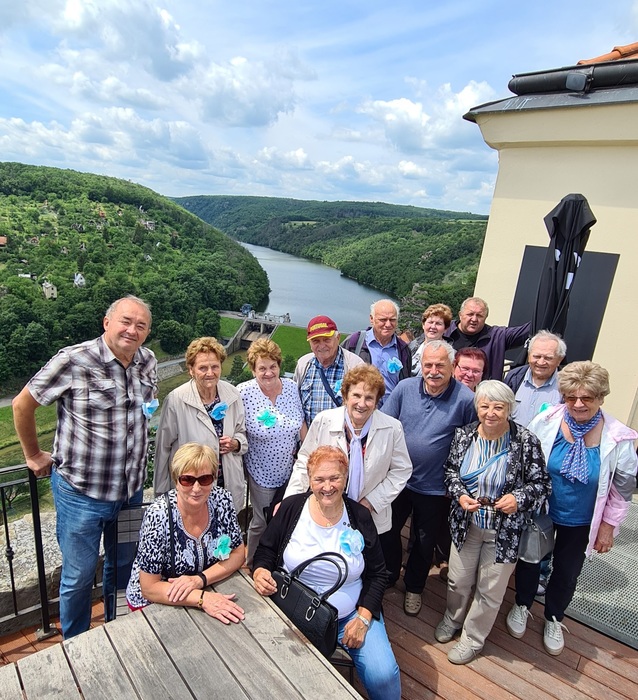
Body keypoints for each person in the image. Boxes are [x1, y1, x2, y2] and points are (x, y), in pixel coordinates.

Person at [12, 295, 157, 638]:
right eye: (125, 321)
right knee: (78, 576)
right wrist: (33, 455)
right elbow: (22, 405)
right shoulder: (74, 359)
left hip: (130, 492)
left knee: (123, 565)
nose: (132, 330)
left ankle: (115, 627)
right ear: (107, 322)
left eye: (141, 325)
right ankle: (76, 643)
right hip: (81, 495)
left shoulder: (147, 361)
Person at [506, 361, 637, 656]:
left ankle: (554, 617)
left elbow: (622, 490)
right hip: (542, 511)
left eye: (587, 397)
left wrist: (608, 527)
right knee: (529, 561)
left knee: (567, 572)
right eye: (571, 397)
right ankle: (522, 604)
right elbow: (525, 464)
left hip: (581, 519)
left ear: (601, 397)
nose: (578, 404)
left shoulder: (619, 437)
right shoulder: (546, 420)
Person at [253, 446, 401, 700]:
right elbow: (265, 550)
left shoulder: (359, 516)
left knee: (384, 676)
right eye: (319, 479)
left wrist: (364, 619)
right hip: (291, 610)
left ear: (345, 478)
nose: (327, 486)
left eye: (335, 478)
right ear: (309, 479)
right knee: (275, 674)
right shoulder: (291, 508)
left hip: (349, 616)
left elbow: (378, 574)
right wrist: (260, 572)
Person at [434, 381, 551, 664]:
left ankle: (472, 639)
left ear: (509, 409)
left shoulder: (526, 442)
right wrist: (461, 496)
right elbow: (450, 472)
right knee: (458, 581)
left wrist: (518, 499)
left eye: (498, 407)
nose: (491, 413)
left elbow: (542, 484)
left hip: (505, 531)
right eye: (485, 406)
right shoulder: (464, 435)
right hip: (467, 524)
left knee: (490, 590)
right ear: (477, 407)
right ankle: (453, 617)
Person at [381, 340, 476, 616]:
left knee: (424, 542)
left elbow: (471, 443)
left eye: (440, 365)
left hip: (435, 488)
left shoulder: (465, 399)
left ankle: (414, 587)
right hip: (398, 480)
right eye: (428, 365)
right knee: (388, 530)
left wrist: (456, 483)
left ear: (453, 366)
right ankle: (389, 574)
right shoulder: (404, 388)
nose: (433, 371)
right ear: (420, 366)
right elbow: (385, 426)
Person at [284, 365, 412, 545]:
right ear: (345, 396)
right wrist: (290, 502)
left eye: (369, 398)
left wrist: (371, 502)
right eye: (356, 395)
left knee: (369, 556)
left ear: (377, 401)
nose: (362, 403)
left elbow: (402, 470)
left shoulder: (392, 428)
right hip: (326, 509)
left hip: (371, 514)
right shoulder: (324, 421)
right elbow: (304, 462)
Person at [126, 443, 245, 624]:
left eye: (205, 479)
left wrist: (199, 580)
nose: (196, 488)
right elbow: (149, 588)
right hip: (157, 600)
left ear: (214, 478)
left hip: (205, 586)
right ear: (176, 480)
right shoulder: (158, 515)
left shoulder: (222, 500)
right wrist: (202, 598)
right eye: (187, 480)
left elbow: (237, 553)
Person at [154, 337, 247, 514]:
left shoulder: (233, 394)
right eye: (203, 368)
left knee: (224, 530)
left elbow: (241, 432)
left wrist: (236, 444)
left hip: (226, 486)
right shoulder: (176, 400)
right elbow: (163, 449)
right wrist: (162, 496)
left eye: (215, 367)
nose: (210, 373)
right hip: (192, 488)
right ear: (191, 370)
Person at [238, 338, 305, 569]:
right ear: (253, 370)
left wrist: (307, 455)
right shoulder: (244, 392)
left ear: (279, 365)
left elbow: (301, 424)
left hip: (290, 470)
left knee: (285, 517)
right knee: (262, 521)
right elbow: (235, 427)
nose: (268, 373)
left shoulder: (291, 387)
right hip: (261, 472)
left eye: (273, 366)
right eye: (262, 368)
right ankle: (253, 563)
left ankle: (277, 562)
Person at [294, 315, 364, 429]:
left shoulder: (355, 366)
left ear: (338, 338)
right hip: (310, 437)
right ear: (310, 343)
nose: (322, 346)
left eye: (327, 340)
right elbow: (296, 406)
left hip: (342, 437)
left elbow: (362, 405)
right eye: (316, 341)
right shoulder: (303, 364)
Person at [342, 299, 412, 405]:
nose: (388, 324)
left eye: (392, 320)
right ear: (372, 319)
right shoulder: (355, 342)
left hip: (391, 410)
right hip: (361, 407)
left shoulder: (403, 350)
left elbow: (406, 384)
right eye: (383, 320)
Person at [444, 297, 530, 380]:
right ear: (460, 315)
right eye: (470, 314)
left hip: (482, 389)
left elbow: (528, 330)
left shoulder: (497, 336)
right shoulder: (444, 330)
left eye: (479, 316)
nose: (474, 319)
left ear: (485, 318)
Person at [505, 330, 566, 427]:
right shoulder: (514, 377)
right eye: (536, 356)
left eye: (548, 358)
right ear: (529, 355)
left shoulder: (566, 384)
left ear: (559, 359)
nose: (541, 362)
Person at [409, 303, 453, 376]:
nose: (433, 326)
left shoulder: (449, 354)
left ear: (445, 329)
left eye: (438, 324)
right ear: (423, 325)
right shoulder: (412, 346)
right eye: (430, 322)